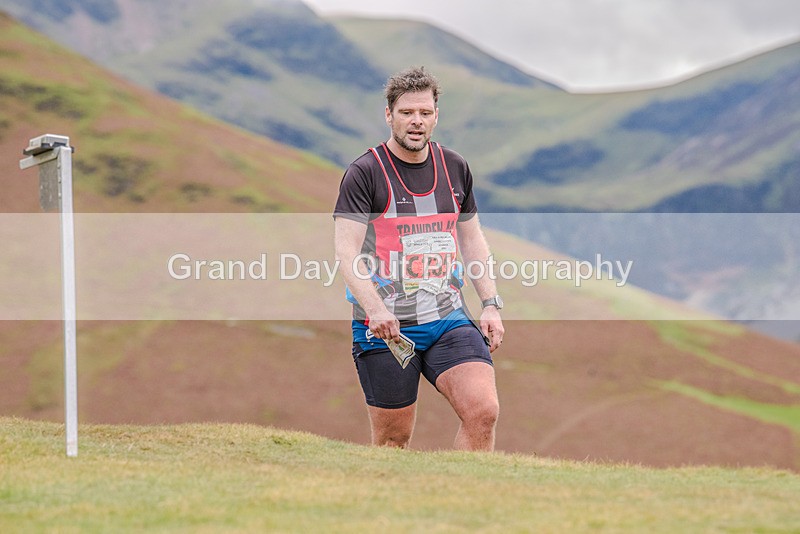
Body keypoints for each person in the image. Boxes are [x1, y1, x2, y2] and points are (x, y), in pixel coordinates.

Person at [333, 66, 504, 451]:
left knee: (483, 412)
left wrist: (490, 304)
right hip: (386, 328)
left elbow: (473, 239)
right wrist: (375, 310)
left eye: (425, 113)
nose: (416, 121)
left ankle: (468, 504)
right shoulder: (365, 173)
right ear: (389, 114)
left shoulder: (455, 167)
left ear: (436, 116)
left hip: (448, 318)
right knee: (394, 440)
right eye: (407, 112)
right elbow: (346, 252)